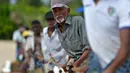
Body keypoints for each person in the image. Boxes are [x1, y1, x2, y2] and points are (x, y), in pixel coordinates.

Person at [83, 0, 130, 73]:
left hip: (120, 64)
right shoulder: (88, 1)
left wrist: (111, 69)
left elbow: (126, 46)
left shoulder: (123, 3)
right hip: (97, 61)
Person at [51, 0, 91, 72]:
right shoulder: (57, 28)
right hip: (75, 62)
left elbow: (88, 49)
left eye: (60, 9)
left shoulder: (78, 21)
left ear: (68, 10)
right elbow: (72, 53)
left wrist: (77, 64)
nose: (58, 13)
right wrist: (66, 65)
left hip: (87, 61)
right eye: (55, 11)